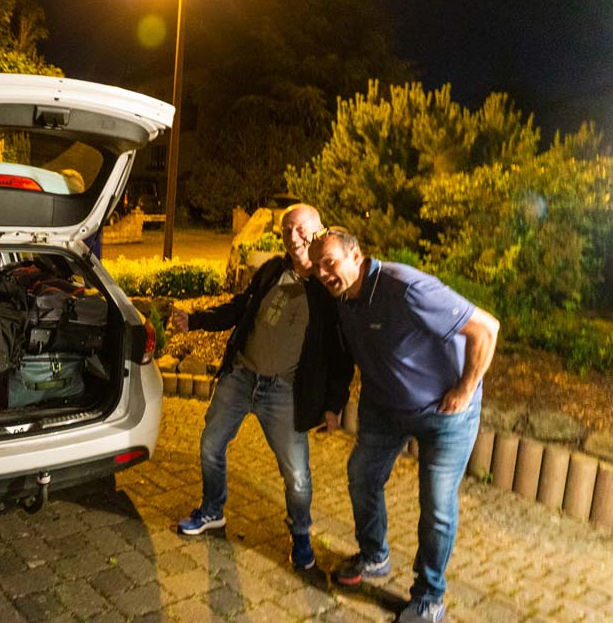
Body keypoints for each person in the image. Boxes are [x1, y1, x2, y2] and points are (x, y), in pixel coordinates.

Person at [308, 227, 499, 623]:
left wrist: (465, 389)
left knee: (437, 507)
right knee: (362, 475)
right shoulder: (343, 297)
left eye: (330, 262)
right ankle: (374, 557)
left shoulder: (405, 288)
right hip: (385, 411)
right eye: (317, 266)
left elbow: (486, 328)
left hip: (445, 415)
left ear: (355, 255)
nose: (323, 273)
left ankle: (429, 596)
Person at [172, 204, 354, 570]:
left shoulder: (328, 288)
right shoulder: (272, 269)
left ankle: (301, 535)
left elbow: (341, 353)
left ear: (319, 231)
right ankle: (212, 510)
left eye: (300, 229)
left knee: (297, 475)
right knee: (210, 445)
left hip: (284, 391)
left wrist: (334, 403)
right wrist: (196, 320)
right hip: (241, 377)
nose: (292, 237)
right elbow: (241, 307)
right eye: (286, 229)